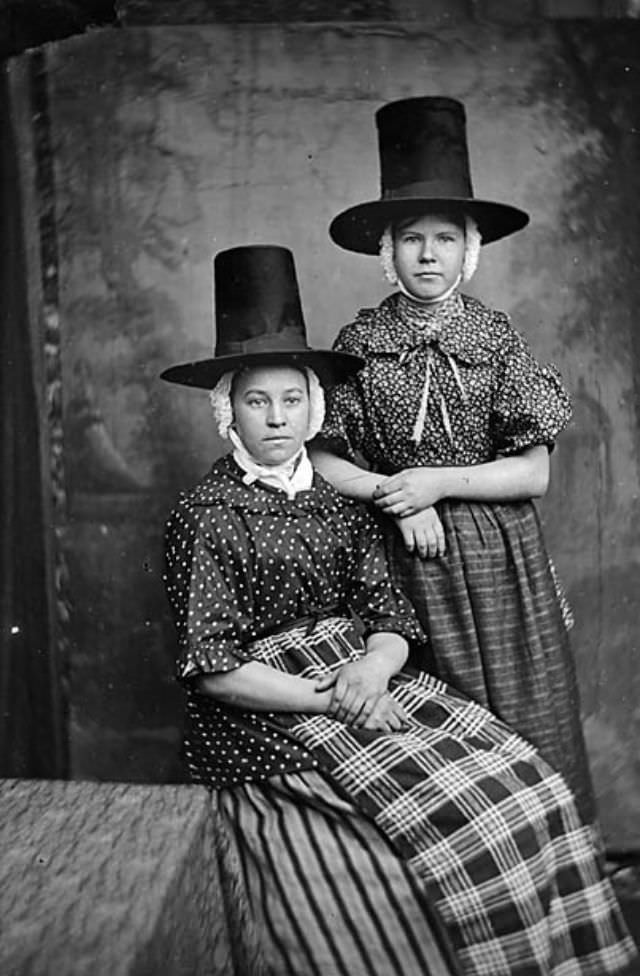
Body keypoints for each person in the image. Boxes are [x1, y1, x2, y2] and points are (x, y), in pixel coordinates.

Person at [161, 245, 635, 976]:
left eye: (292, 401)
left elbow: (390, 614)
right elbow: (214, 669)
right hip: (275, 702)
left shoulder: (337, 504)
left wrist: (376, 666)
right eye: (257, 402)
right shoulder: (207, 513)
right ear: (227, 412)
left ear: (313, 407)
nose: (277, 419)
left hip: (366, 671)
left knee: (523, 778)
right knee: (468, 823)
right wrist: (336, 697)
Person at [311, 96, 595, 825]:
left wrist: (436, 481)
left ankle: (549, 876)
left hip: (502, 558)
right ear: (388, 249)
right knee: (437, 744)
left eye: (445, 238)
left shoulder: (497, 339)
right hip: (404, 556)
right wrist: (398, 497)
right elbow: (324, 460)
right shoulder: (360, 341)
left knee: (529, 722)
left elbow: (534, 472)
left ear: (469, 249)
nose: (428, 254)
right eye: (412, 238)